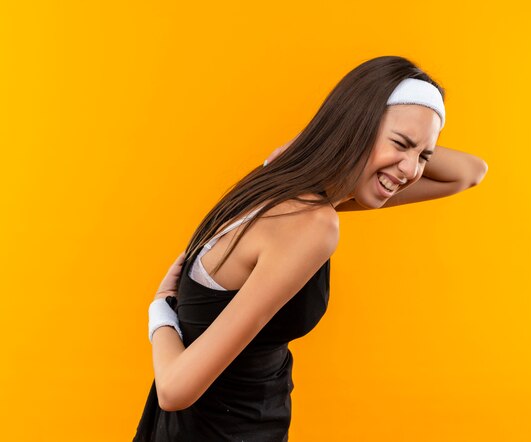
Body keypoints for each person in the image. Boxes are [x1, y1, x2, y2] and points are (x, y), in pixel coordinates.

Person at [133, 55, 488, 441]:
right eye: (400, 144)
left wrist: (395, 138)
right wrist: (159, 313)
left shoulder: (283, 183)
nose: (411, 170)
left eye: (423, 157)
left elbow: (471, 172)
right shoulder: (310, 224)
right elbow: (174, 390)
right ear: (357, 127)